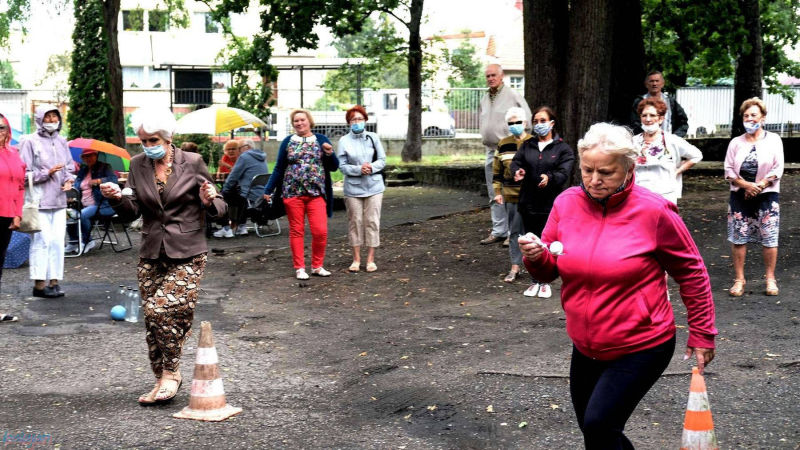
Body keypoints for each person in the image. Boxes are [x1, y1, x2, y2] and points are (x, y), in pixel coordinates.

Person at [520, 123, 717, 449]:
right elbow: (547, 271)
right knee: (594, 432)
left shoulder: (655, 211)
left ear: (629, 168)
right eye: (587, 170)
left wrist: (702, 332)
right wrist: (535, 257)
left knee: (599, 425)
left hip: (642, 342)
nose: (594, 180)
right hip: (586, 344)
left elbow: (692, 272)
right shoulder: (566, 203)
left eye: (606, 172)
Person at [100, 107, 226, 405]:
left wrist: (209, 200)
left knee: (160, 310)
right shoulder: (137, 164)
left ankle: (171, 373)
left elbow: (221, 209)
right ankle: (161, 379)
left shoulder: (192, 162)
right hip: (151, 251)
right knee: (154, 319)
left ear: (168, 138)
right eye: (143, 141)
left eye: (153, 140)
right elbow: (132, 210)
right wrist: (117, 198)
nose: (147, 146)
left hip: (188, 250)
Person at [264, 109, 339, 280]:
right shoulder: (288, 141)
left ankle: (317, 266)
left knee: (320, 231)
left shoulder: (321, 139)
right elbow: (279, 168)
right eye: (296, 121)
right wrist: (268, 189)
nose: (299, 123)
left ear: (309, 121)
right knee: (297, 231)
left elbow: (334, 167)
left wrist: (329, 153)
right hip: (292, 193)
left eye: (302, 120)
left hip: (316, 193)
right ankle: (300, 268)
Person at [510, 106, 574, 298]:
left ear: (552, 123)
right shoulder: (527, 145)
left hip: (550, 205)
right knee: (531, 242)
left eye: (543, 121)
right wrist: (517, 171)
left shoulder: (563, 148)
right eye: (536, 121)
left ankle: (546, 281)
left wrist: (550, 177)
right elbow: (516, 162)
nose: (539, 125)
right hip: (528, 202)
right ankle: (535, 280)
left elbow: (564, 173)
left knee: (547, 242)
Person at [724, 97, 784, 297]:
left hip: (766, 195)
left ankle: (770, 279)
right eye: (746, 115)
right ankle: (739, 279)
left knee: (769, 236)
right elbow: (728, 169)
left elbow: (778, 167)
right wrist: (745, 185)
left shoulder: (774, 139)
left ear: (763, 118)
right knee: (739, 237)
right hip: (740, 195)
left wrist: (759, 185)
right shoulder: (735, 142)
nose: (750, 119)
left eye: (754, 115)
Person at [18, 105, 76, 298]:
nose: (52, 120)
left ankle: (54, 282)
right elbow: (23, 174)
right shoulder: (29, 141)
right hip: (39, 201)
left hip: (59, 200)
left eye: (54, 116)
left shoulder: (62, 141)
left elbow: (69, 168)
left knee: (58, 242)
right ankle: (39, 285)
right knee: (42, 242)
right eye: (47, 117)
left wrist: (68, 180)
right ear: (39, 119)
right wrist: (46, 173)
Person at [479, 64, 531, 246]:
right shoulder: (485, 98)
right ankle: (498, 230)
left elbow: (527, 118)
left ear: (501, 76)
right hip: (491, 149)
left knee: (512, 192)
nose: (490, 78)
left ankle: (512, 232)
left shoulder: (513, 95)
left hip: (510, 150)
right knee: (494, 191)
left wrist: (520, 144)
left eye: (493, 75)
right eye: (488, 76)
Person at [337, 105, 386, 273]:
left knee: (372, 221)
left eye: (359, 119)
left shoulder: (373, 137)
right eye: (353, 120)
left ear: (365, 120)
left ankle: (370, 259)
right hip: (353, 188)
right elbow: (342, 165)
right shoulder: (344, 141)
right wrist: (359, 169)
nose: (357, 122)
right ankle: (356, 259)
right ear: (348, 123)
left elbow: (382, 160)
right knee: (355, 221)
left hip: (374, 186)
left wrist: (371, 167)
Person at [632, 97, 703, 205]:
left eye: (652, 115)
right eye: (644, 115)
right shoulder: (633, 141)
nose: (648, 119)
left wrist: (677, 171)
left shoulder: (672, 140)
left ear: (661, 118)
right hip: (639, 193)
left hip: (665, 194)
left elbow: (696, 155)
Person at [492, 106, 533, 285]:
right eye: (511, 123)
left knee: (533, 231)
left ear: (525, 122)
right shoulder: (503, 144)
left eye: (518, 122)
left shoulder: (534, 142)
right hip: (511, 194)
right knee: (514, 232)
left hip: (533, 196)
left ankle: (536, 266)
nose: (514, 125)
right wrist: (497, 192)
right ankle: (515, 266)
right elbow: (497, 170)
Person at [66, 148, 118, 255]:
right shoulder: (83, 170)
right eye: (85, 156)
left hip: (101, 204)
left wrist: (99, 181)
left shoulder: (105, 167)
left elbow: (114, 180)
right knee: (69, 214)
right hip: (81, 204)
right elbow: (77, 185)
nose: (88, 158)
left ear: (96, 155)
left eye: (90, 155)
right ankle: (74, 242)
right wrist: (71, 191)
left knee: (82, 215)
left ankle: (88, 241)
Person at [0, 112, 25, 323]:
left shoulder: (14, 153)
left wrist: (17, 214)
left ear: (7, 130)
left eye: (1, 127)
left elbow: (20, 186)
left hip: (7, 215)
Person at [219, 138, 268, 238]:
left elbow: (233, 176)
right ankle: (241, 226)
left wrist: (223, 190)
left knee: (223, 196)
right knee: (234, 194)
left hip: (249, 197)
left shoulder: (245, 156)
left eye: (239, 148)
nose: (238, 151)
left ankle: (226, 228)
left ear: (247, 147)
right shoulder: (262, 157)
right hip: (262, 196)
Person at [629, 70, 688, 137]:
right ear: (646, 84)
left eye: (657, 81)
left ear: (662, 83)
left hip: (667, 141)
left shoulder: (670, 102)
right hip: (645, 141)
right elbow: (634, 124)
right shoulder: (639, 102)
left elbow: (683, 123)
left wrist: (675, 137)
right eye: (651, 81)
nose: (654, 84)